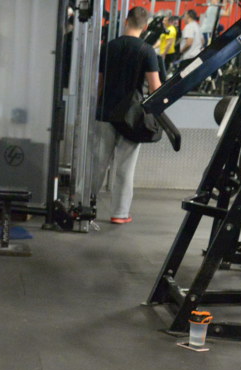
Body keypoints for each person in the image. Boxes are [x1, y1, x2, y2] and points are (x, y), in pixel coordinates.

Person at [92, 6, 161, 225]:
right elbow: (155, 87)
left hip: (106, 112)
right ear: (145, 26)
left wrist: (98, 106)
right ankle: (120, 214)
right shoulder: (147, 51)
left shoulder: (109, 47)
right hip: (131, 116)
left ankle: (86, 207)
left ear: (126, 21)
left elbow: (100, 83)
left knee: (98, 164)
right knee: (125, 167)